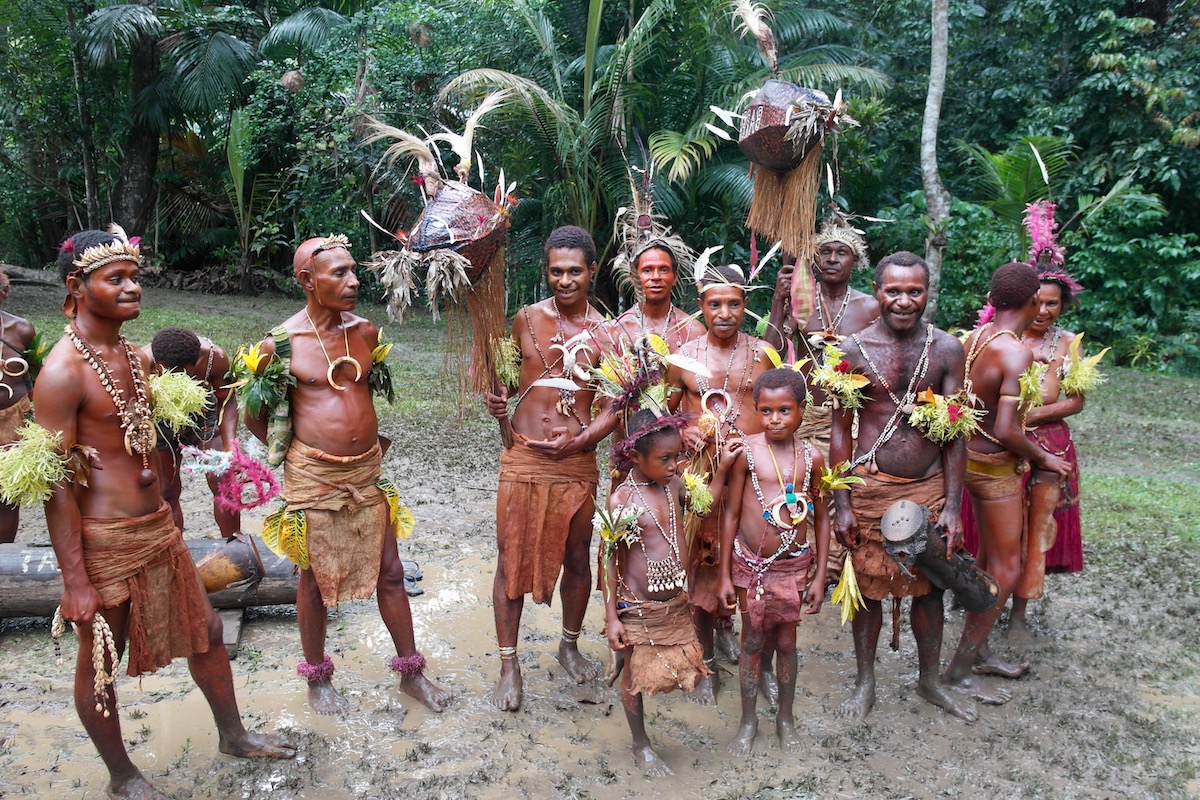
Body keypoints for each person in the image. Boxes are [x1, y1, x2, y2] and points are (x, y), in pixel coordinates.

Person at [35, 228, 295, 799]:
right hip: (106, 540)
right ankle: (122, 776)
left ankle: (234, 735)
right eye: (116, 279)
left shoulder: (134, 356)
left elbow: (147, 441)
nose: (133, 288)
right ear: (77, 287)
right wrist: (74, 581)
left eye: (135, 277)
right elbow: (55, 487)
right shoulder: (61, 373)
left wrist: (208, 458)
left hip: (159, 529)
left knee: (205, 633)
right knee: (102, 658)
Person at [245, 234, 450, 715]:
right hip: (312, 476)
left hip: (366, 473)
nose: (353, 280)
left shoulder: (365, 332)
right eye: (339, 273)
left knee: (392, 572)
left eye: (353, 270)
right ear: (307, 281)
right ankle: (319, 682)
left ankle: (411, 674)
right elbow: (256, 412)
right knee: (313, 579)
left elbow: (361, 398)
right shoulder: (279, 343)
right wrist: (294, 452)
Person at [825, 252, 977, 722]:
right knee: (868, 589)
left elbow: (956, 432)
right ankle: (865, 682)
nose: (904, 301)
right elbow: (838, 430)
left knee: (930, 589)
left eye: (915, 291)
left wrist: (953, 506)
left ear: (928, 292)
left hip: (929, 489)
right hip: (870, 490)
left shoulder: (948, 350)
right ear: (877, 290)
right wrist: (842, 502)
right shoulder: (850, 350)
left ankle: (929, 680)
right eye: (894, 291)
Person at [483, 225, 607, 711]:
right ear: (547, 271)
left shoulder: (607, 330)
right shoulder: (525, 319)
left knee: (578, 555)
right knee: (510, 554)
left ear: (591, 271)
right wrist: (497, 397)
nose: (565, 280)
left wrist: (582, 437)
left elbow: (615, 405)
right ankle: (509, 663)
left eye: (575, 271)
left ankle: (569, 644)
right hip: (523, 456)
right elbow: (510, 383)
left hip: (576, 460)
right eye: (556, 271)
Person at [943, 262, 1072, 699]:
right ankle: (960, 668)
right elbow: (1006, 430)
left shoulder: (976, 338)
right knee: (1007, 565)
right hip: (995, 468)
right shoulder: (1014, 351)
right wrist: (1045, 458)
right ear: (1034, 299)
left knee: (989, 563)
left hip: (968, 460)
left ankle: (975, 654)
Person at [664, 263, 772, 704]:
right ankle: (705, 663)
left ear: (746, 306)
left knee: (755, 567)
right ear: (701, 307)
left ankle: (756, 665)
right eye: (715, 304)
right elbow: (663, 411)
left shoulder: (764, 352)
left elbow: (777, 410)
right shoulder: (683, 356)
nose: (724, 312)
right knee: (702, 567)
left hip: (752, 477)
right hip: (701, 475)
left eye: (733, 303)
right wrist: (682, 429)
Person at [764, 220, 880, 586]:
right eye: (824, 252)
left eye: (841, 252)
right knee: (805, 489)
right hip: (809, 416)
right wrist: (778, 303)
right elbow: (771, 354)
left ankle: (838, 568)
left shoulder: (871, 306)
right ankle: (803, 564)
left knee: (844, 491)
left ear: (854, 260)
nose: (831, 259)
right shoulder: (801, 301)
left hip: (853, 417)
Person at [718, 368, 828, 753]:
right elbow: (729, 514)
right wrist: (724, 577)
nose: (775, 420)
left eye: (784, 410)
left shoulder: (812, 457)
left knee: (786, 643)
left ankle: (785, 717)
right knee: (752, 642)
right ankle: (748, 720)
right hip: (751, 566)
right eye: (766, 411)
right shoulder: (745, 452)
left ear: (801, 410)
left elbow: (822, 516)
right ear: (755, 409)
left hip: (793, 567)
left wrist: (818, 578)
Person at [603, 409, 710, 776]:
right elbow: (608, 561)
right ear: (635, 457)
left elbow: (702, 501)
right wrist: (612, 617)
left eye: (678, 455)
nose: (675, 465)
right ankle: (641, 744)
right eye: (665, 458)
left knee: (678, 660)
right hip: (637, 604)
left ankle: (621, 661)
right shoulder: (621, 501)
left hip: (675, 600)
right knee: (634, 675)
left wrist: (721, 467)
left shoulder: (674, 485)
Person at [1010, 268, 1088, 637]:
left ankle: (1019, 611)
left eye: (1052, 303)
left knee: (1037, 529)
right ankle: (982, 595)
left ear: (1064, 304)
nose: (1042, 310)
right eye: (1036, 301)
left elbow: (1075, 400)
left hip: (1050, 445)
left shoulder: (1069, 343)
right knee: (996, 527)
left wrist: (1028, 415)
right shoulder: (1004, 336)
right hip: (1001, 445)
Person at [144, 327, 239, 538]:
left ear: (196, 361)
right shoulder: (143, 364)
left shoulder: (215, 358)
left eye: (186, 373)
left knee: (222, 480)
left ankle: (235, 547)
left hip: (205, 418)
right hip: (162, 425)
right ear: (159, 366)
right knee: (167, 491)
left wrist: (230, 446)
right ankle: (176, 551)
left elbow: (227, 400)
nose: (181, 379)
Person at [610, 245, 706, 352]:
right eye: (647, 270)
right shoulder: (616, 330)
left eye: (664, 270)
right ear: (633, 278)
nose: (656, 277)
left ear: (675, 277)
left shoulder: (693, 330)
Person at [0, 268, 35, 543]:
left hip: (14, 421)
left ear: (5, 293)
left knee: (7, 497)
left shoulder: (20, 329)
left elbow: (35, 377)